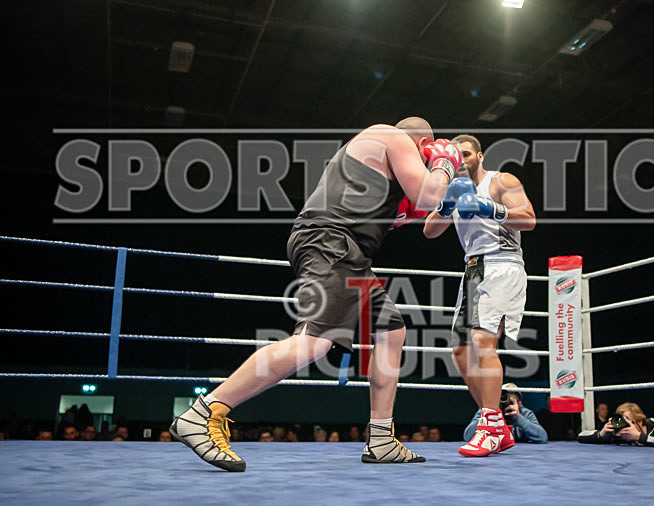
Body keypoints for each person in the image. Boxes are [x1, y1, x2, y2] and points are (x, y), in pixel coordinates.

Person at [171, 118, 460, 471]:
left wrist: (440, 203)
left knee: (390, 330)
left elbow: (422, 219)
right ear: (423, 143)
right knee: (315, 342)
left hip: (346, 251)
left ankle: (382, 437)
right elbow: (428, 193)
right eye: (426, 154)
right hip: (331, 243)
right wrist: (445, 163)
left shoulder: (377, 167)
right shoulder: (393, 135)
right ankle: (204, 412)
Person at [423, 134, 536, 457]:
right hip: (472, 269)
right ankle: (497, 426)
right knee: (460, 352)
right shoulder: (452, 189)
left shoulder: (502, 180)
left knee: (482, 342)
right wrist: (446, 205)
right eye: (456, 155)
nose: (462, 159)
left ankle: (488, 426)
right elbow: (430, 231)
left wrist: (490, 207)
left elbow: (529, 219)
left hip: (502, 263)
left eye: (467, 154)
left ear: (480, 156)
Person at [463, 383, 547, 445]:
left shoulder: (525, 413)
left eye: (510, 402)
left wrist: (518, 418)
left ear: (519, 404)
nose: (506, 404)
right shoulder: (487, 410)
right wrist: (489, 413)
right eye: (502, 400)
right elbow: (467, 437)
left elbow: (542, 438)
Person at [577, 402, 654, 449]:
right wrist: (601, 434)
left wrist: (640, 437)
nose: (624, 425)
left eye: (628, 421)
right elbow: (581, 435)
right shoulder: (620, 432)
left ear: (639, 421)